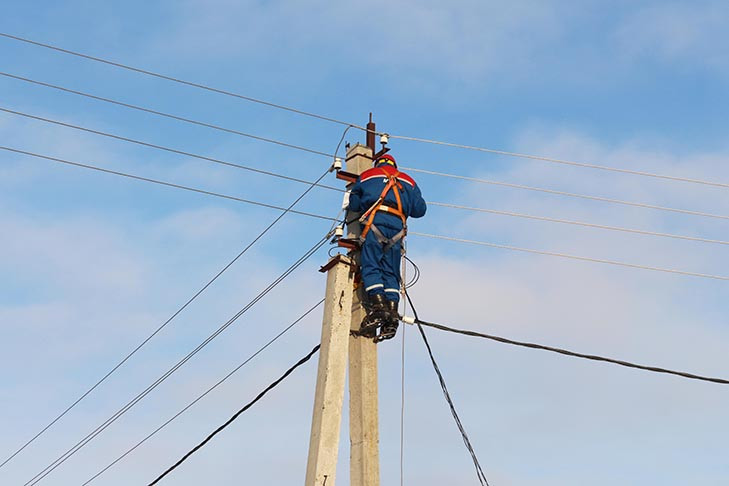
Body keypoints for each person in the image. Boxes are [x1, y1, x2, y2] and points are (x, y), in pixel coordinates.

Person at [348, 153, 427, 341]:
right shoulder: (409, 181)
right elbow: (420, 210)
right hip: (397, 229)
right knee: (391, 272)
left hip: (374, 224)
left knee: (371, 265)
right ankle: (392, 314)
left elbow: (354, 203)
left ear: (378, 163)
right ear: (395, 165)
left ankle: (378, 308)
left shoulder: (367, 175)